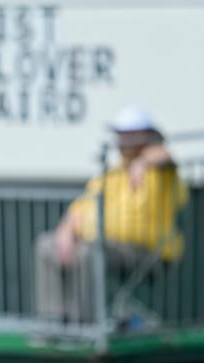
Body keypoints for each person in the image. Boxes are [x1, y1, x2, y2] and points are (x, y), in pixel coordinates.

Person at [35, 105, 187, 322]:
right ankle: (53, 321)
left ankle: (83, 324)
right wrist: (66, 231)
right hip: (104, 243)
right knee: (48, 245)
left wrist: (143, 162)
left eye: (131, 135)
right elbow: (82, 207)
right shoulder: (112, 174)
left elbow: (165, 156)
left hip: (146, 252)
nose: (125, 141)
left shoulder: (161, 171)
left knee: (89, 252)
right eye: (122, 135)